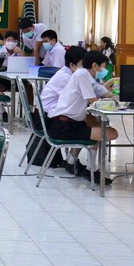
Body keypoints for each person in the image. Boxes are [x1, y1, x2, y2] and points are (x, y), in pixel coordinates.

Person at [46, 51, 117, 184]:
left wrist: (115, 97)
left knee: (94, 125)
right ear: (95, 65)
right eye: (103, 67)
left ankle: (73, 162)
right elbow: (93, 101)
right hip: (63, 127)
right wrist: (113, 103)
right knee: (110, 133)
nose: (104, 71)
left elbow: (103, 92)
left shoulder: (87, 77)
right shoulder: (82, 74)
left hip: (67, 123)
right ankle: (91, 171)